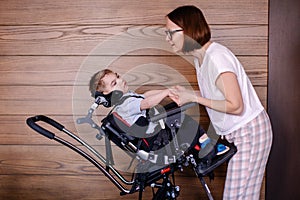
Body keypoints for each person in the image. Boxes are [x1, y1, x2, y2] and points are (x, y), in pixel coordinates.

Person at [165, 5, 273, 200]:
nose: (167, 38)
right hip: (242, 133)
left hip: (249, 132)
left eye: (170, 32)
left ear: (187, 30)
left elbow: (235, 105)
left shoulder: (216, 58)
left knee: (236, 197)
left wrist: (194, 98)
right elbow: (216, 92)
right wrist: (189, 94)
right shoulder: (202, 58)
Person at [89, 69, 229, 157]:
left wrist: (168, 91)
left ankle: (200, 148)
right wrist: (166, 92)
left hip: (156, 134)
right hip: (157, 139)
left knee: (178, 115)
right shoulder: (125, 106)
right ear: (106, 95)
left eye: (118, 76)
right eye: (114, 83)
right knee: (184, 121)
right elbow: (147, 103)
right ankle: (208, 148)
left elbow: (146, 95)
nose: (120, 80)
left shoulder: (128, 98)